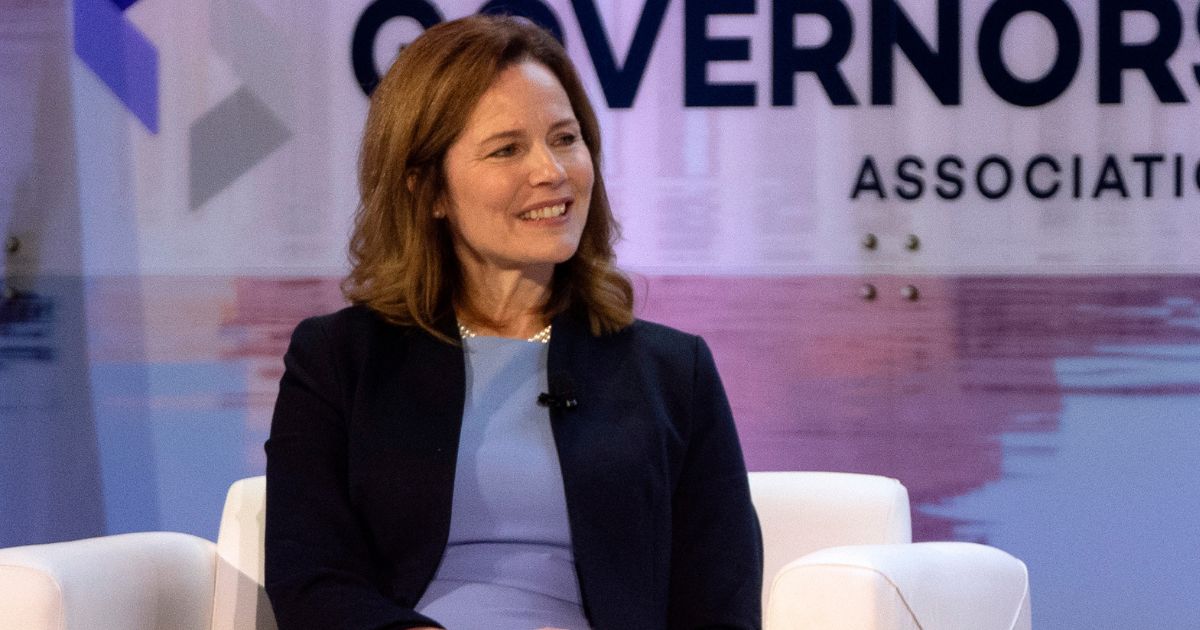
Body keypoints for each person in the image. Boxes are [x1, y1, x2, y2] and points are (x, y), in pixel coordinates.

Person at [264, 14, 762, 630]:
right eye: (507, 149)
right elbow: (309, 578)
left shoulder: (672, 372)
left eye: (564, 138)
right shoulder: (336, 360)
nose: (551, 172)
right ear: (428, 191)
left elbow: (721, 602)